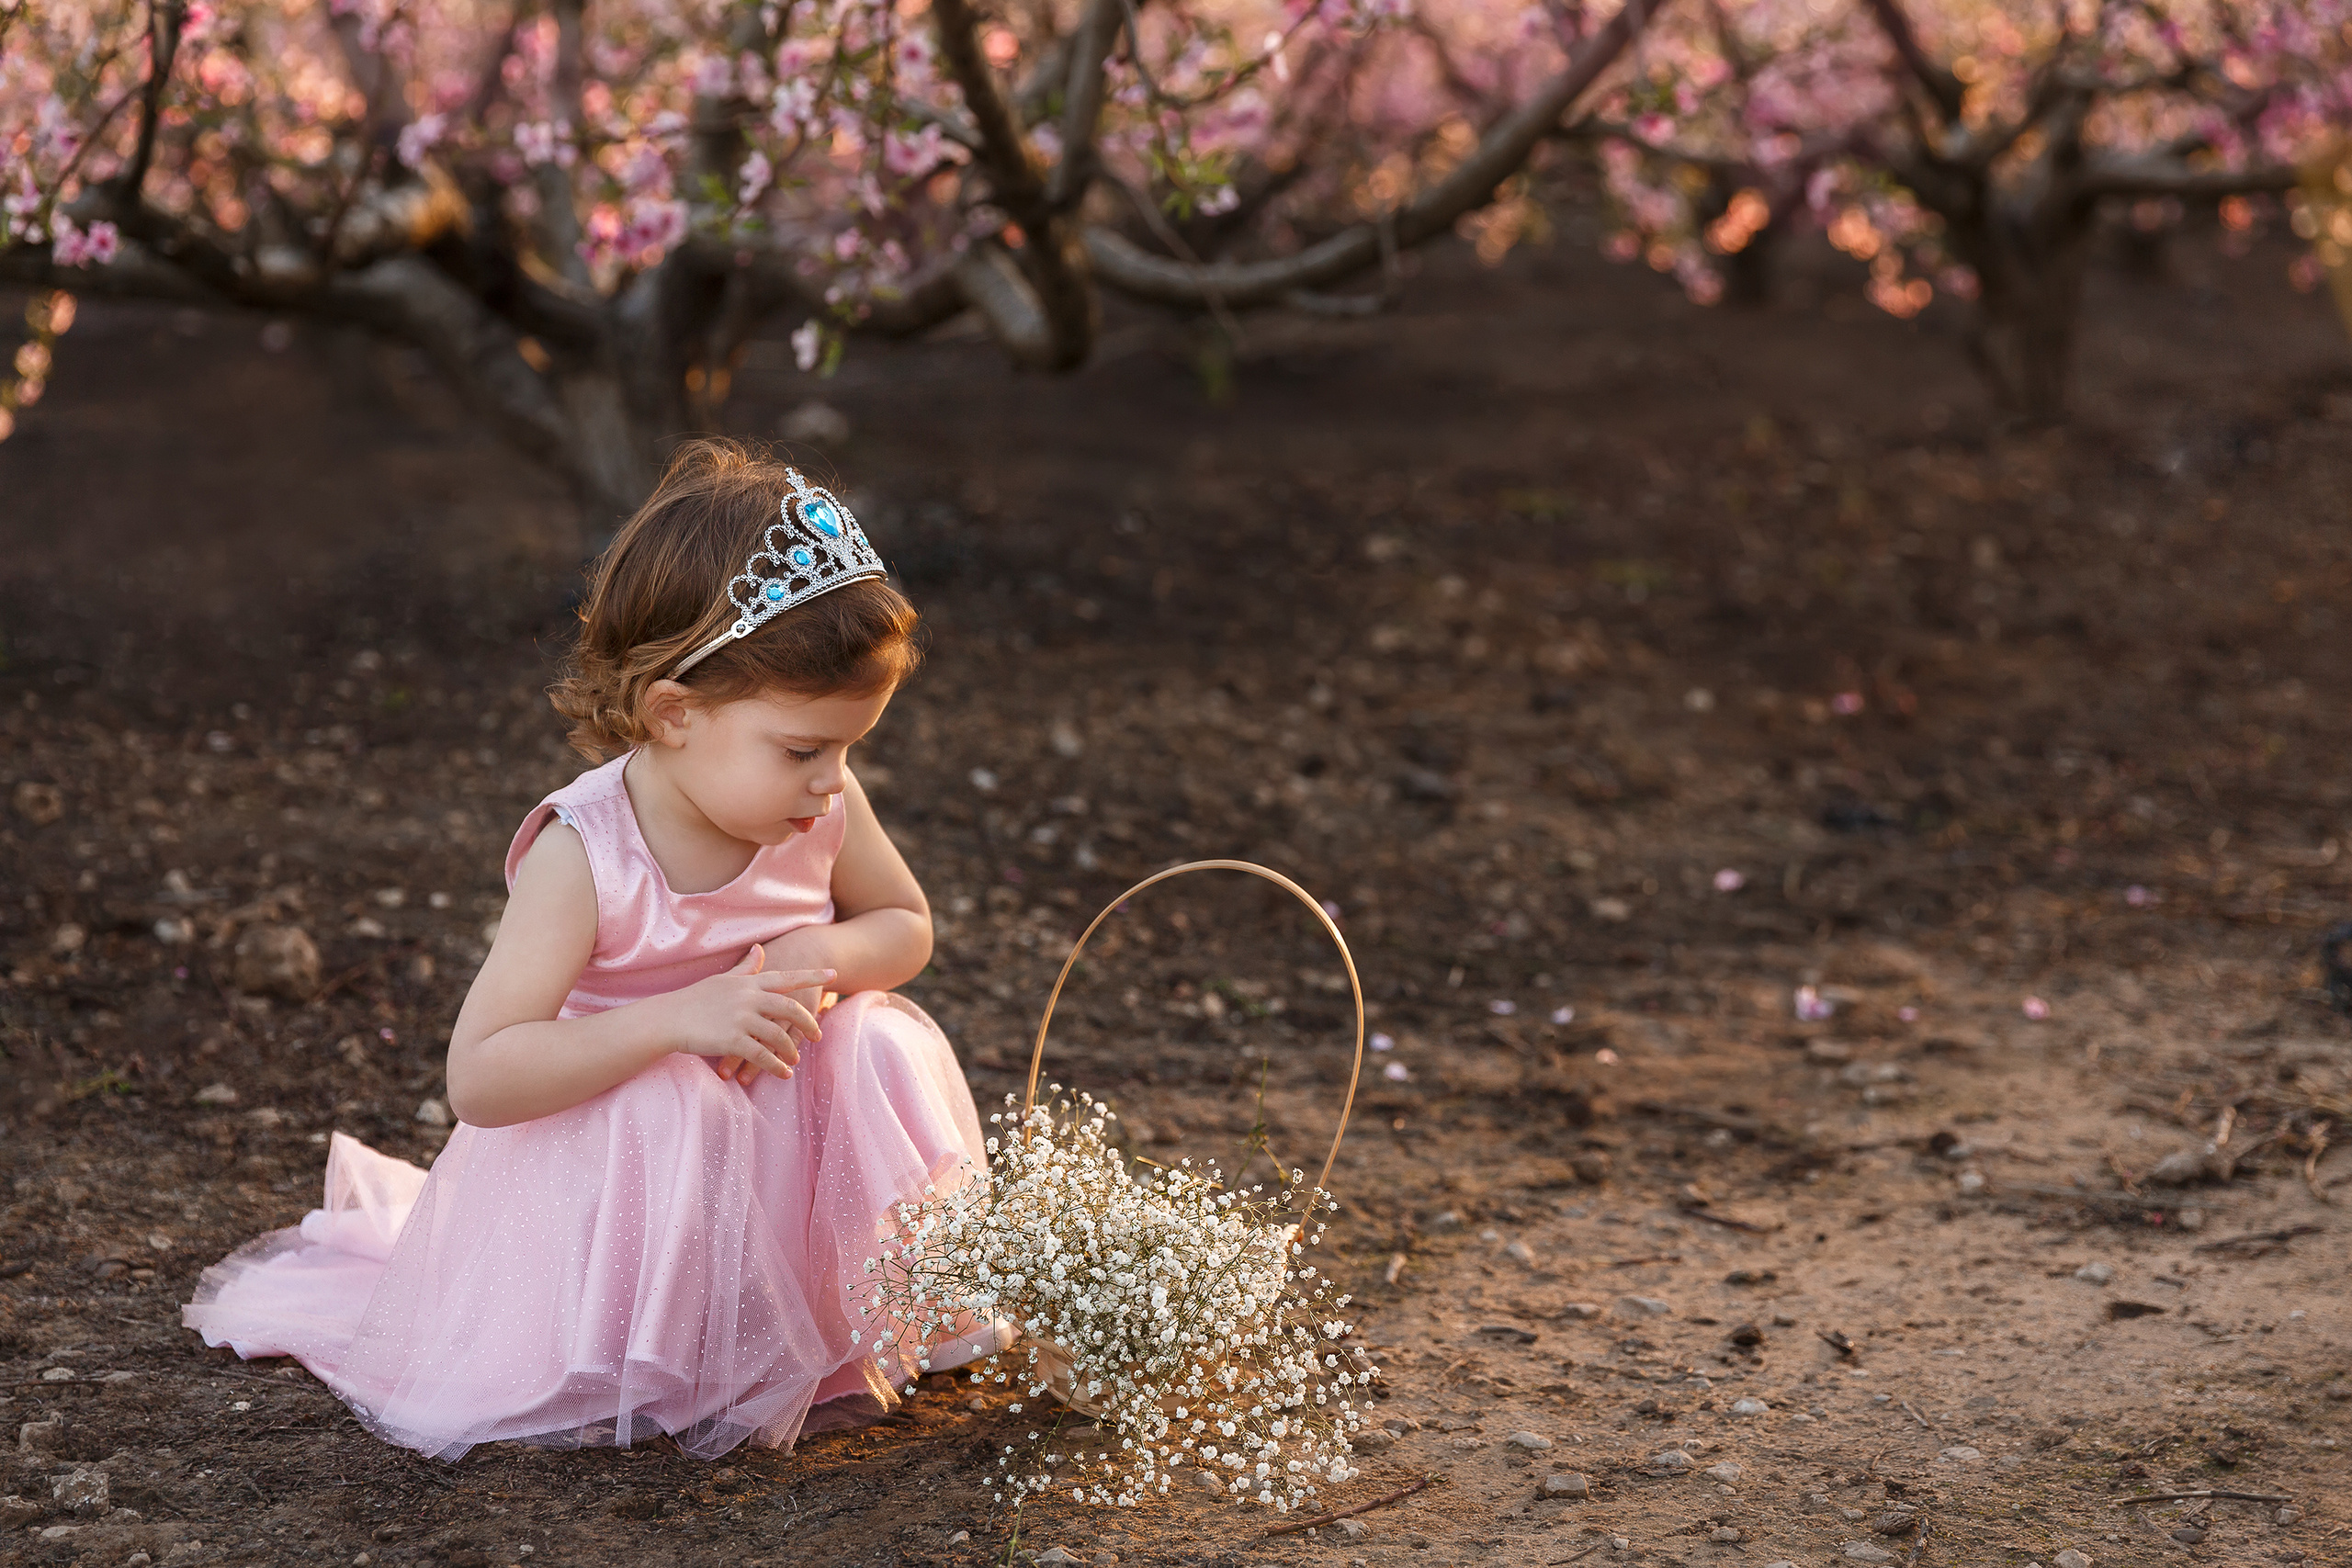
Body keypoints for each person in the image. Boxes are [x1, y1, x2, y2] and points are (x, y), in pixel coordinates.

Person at [184, 439, 1004, 1462]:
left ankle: (863, 1306)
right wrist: (674, 1021)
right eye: (804, 749)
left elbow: (905, 927)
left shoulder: (819, 808)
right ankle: (664, 1352)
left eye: (849, 748)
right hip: (620, 1171)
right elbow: (482, 1074)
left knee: (878, 1037)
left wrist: (816, 949)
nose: (831, 781)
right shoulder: (585, 854)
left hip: (774, 1139)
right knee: (678, 1096)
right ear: (674, 711)